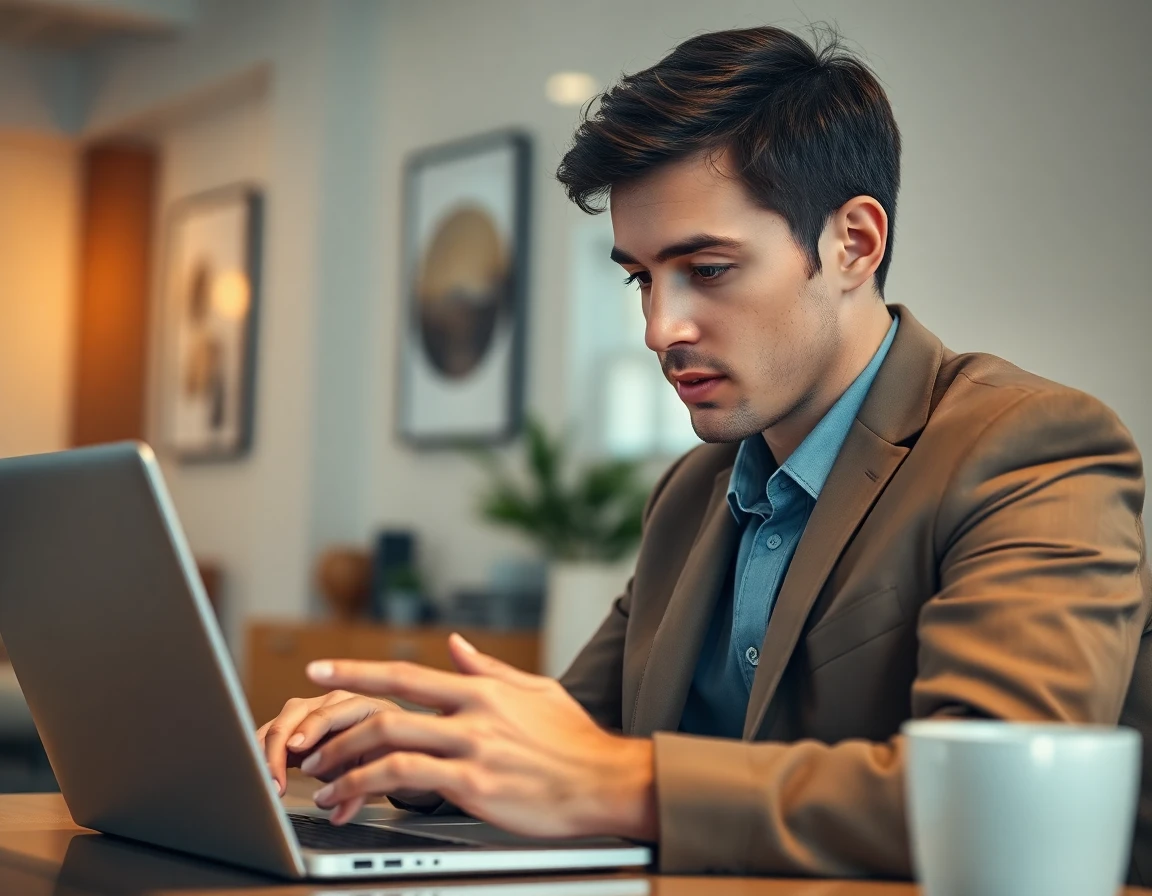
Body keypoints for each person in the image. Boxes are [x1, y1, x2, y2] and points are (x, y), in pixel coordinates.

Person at [258, 24, 1152, 881]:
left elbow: (999, 811)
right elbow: (578, 732)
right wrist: (420, 748)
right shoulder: (692, 492)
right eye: (641, 278)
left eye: (708, 270)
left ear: (854, 243)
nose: (659, 327)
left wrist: (621, 780)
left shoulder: (1033, 450)